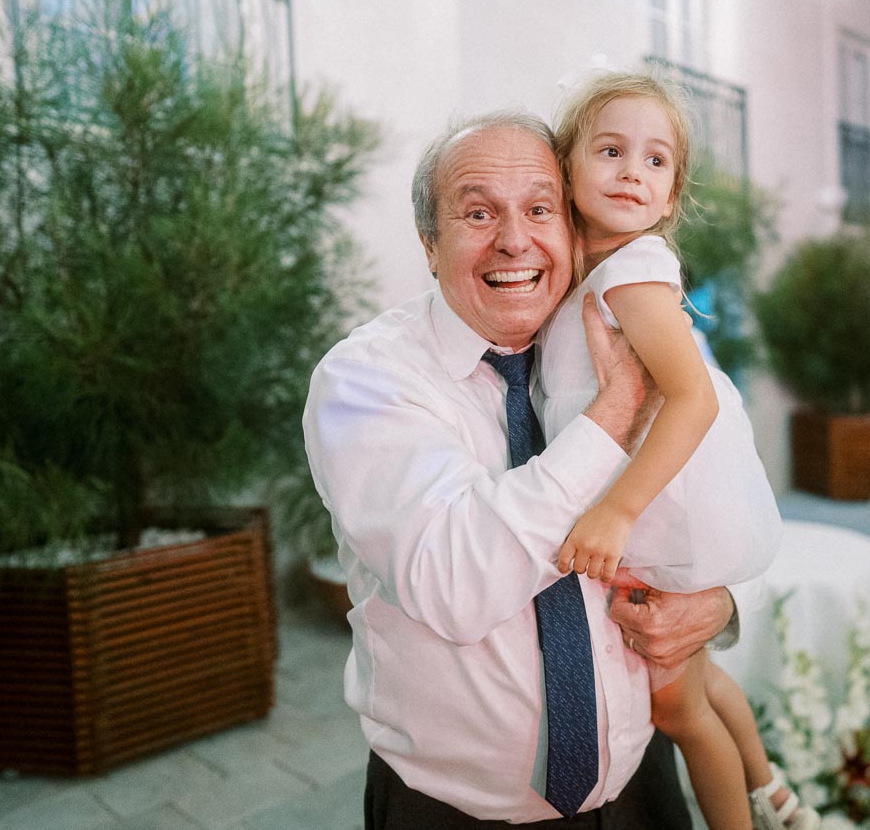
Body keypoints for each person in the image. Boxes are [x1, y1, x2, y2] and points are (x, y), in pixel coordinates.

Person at [303, 110, 770, 828]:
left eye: (539, 209)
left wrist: (723, 603)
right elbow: (455, 583)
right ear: (430, 244)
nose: (514, 240)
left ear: (572, 227)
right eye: (479, 212)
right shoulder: (367, 381)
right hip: (457, 813)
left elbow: (718, 482)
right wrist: (611, 417)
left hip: (643, 785)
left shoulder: (617, 326)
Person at [539, 72, 815, 830]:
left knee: (678, 707)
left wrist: (617, 512)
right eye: (611, 150)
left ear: (671, 198)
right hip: (667, 502)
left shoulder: (632, 273)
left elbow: (690, 397)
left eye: (656, 161)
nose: (634, 170)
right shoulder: (589, 278)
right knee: (696, 679)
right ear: (567, 167)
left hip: (665, 507)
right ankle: (774, 791)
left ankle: (743, 818)